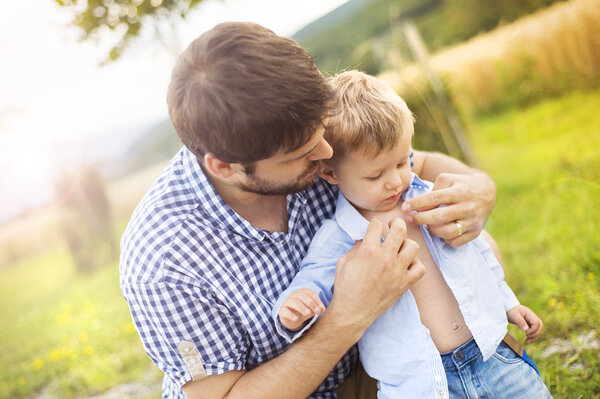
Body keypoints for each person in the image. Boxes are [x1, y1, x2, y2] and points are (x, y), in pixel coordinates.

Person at [119, 22, 499, 399]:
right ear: (225, 167)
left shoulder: (301, 130)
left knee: (479, 252)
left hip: (374, 374)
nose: (327, 154)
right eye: (302, 153)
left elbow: (414, 163)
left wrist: (479, 188)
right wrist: (349, 316)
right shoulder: (163, 262)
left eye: (321, 131)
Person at [273, 70, 551, 398]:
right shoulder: (338, 237)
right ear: (330, 172)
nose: (395, 181)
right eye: (376, 175)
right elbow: (312, 280)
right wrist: (295, 305)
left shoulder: (427, 198)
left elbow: (476, 255)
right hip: (420, 386)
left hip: (491, 356)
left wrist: (507, 302)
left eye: (404, 162)